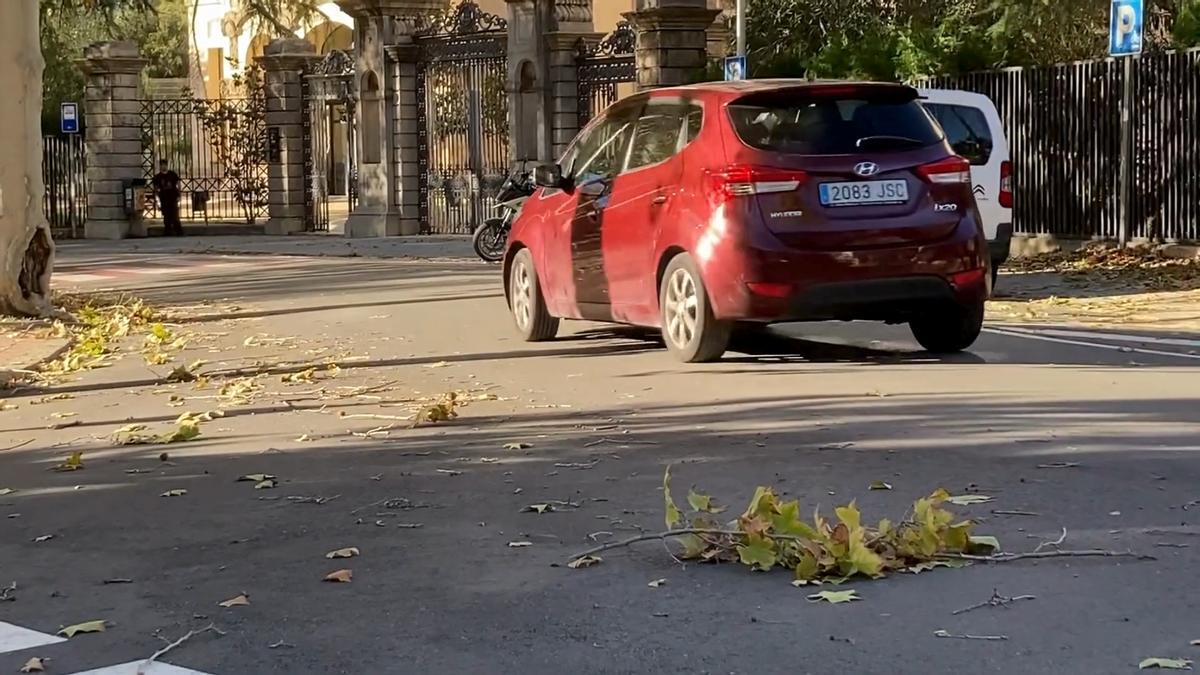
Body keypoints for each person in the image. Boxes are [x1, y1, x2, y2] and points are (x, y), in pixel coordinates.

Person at [151, 159, 183, 236]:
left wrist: (179, 194)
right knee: (166, 215)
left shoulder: (172, 174)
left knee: (175, 214)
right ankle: (168, 230)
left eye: (165, 165)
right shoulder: (158, 177)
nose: (163, 166)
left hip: (173, 197)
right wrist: (157, 198)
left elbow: (178, 183)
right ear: (160, 166)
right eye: (162, 165)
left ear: (167, 165)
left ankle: (178, 231)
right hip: (164, 198)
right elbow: (156, 188)